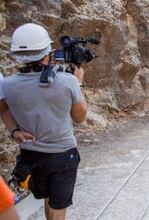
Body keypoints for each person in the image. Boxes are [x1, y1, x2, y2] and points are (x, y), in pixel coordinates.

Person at [2, 23, 87, 220]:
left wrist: (14, 132)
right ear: (47, 53)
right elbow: (79, 117)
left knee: (47, 197)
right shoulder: (68, 81)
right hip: (63, 155)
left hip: (30, 155)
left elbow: (3, 108)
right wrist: (79, 83)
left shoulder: (7, 84)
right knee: (58, 206)